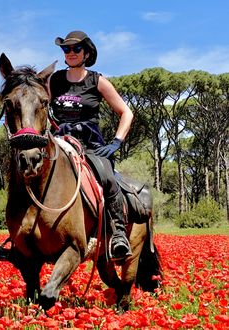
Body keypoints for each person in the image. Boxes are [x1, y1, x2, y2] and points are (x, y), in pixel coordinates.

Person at [48, 30, 134, 262]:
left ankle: (118, 234)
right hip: (59, 142)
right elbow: (38, 104)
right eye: (67, 49)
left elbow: (126, 112)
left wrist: (117, 142)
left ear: (86, 52)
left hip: (90, 145)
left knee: (107, 177)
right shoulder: (54, 80)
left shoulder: (98, 81)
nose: (71, 53)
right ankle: (21, 240)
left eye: (76, 49)